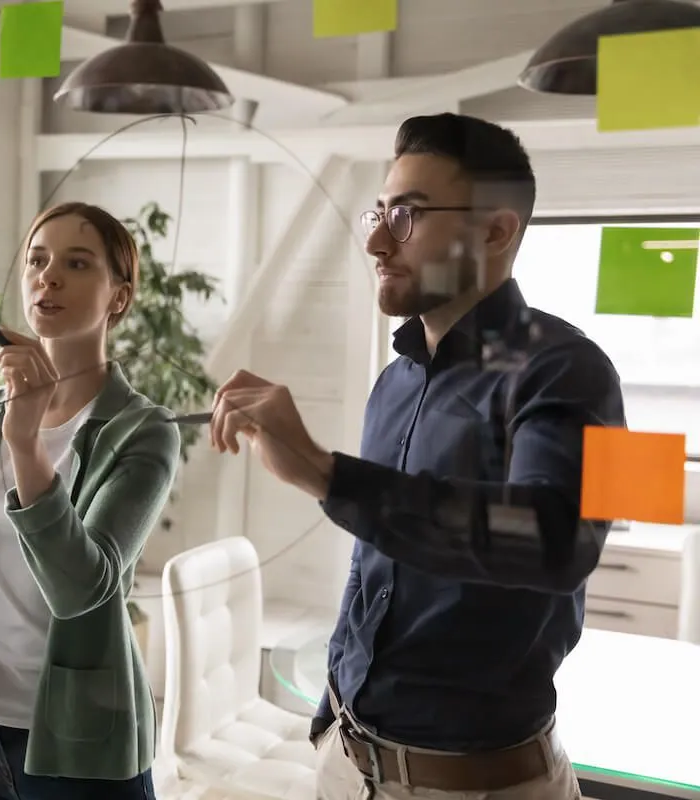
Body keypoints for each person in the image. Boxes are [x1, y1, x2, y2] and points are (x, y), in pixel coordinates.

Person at [207, 113, 624, 799]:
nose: (374, 239)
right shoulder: (396, 379)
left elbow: (560, 544)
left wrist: (324, 472)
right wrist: (331, 721)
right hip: (346, 762)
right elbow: (379, 570)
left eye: (408, 215)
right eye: (380, 211)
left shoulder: (573, 368)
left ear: (495, 231)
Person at [0, 201, 180, 800]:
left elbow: (82, 589)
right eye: (37, 261)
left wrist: (26, 443)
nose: (48, 276)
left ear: (119, 297)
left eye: (76, 262)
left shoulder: (144, 431)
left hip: (82, 743)